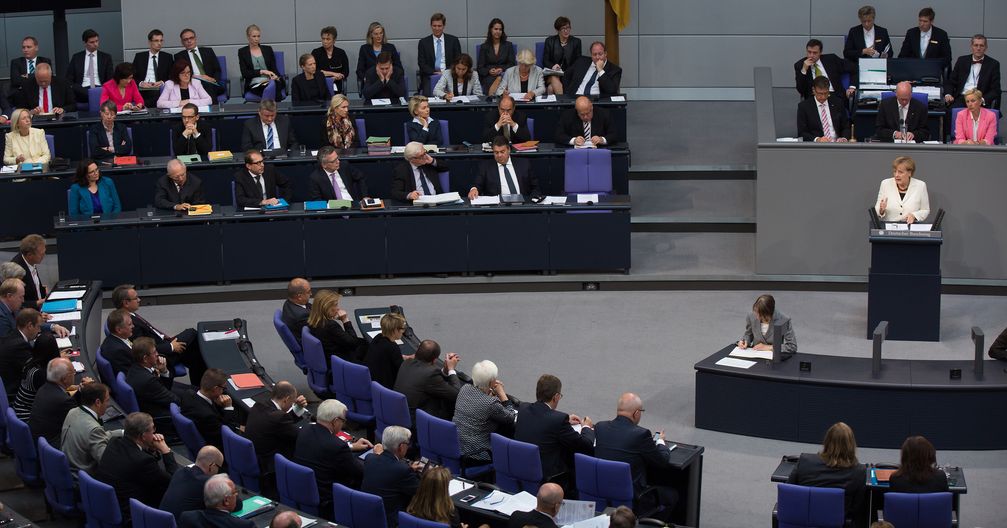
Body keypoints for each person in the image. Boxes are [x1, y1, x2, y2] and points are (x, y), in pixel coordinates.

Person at [594, 393, 678, 522]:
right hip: (633, 496)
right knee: (672, 495)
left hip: (600, 491)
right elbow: (662, 461)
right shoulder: (641, 434)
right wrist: (661, 442)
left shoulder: (600, 427)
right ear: (636, 413)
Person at [111, 283, 207, 382]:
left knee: (195, 354)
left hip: (163, 343)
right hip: (161, 354)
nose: (139, 300)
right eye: (136, 298)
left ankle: (200, 387)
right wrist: (171, 347)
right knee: (192, 334)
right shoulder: (129, 324)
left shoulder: (128, 315)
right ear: (126, 303)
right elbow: (142, 348)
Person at [514, 374, 594, 491]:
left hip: (521, 472)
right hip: (549, 480)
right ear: (556, 397)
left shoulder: (523, 409)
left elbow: (543, 421)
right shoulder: (558, 420)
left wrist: (565, 421)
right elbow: (585, 444)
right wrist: (586, 427)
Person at [294, 399, 373, 517]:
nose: (343, 424)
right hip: (328, 497)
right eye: (343, 421)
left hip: (304, 488)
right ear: (335, 421)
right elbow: (359, 472)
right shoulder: (337, 446)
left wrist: (351, 447)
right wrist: (375, 457)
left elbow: (321, 446)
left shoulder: (305, 430)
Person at [98, 413, 179, 518]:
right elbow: (173, 481)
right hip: (130, 514)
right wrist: (166, 451)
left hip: (107, 504)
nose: (154, 431)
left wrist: (150, 449)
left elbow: (137, 457)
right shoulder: (143, 461)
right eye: (152, 428)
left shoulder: (114, 442)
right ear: (143, 436)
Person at [787, 422, 867, 528]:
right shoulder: (859, 471)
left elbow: (789, 492)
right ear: (851, 445)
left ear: (827, 441)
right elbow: (856, 508)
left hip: (801, 522)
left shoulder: (805, 461)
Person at [454, 360, 516, 462]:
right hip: (477, 455)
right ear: (492, 381)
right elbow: (510, 417)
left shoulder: (464, 389)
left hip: (457, 446)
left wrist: (489, 392)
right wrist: (502, 394)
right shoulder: (490, 403)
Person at [361, 425, 421, 527]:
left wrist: (409, 469)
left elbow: (388, 470)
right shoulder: (402, 470)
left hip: (366, 514)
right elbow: (420, 491)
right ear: (401, 447)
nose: (408, 446)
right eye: (408, 443)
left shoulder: (370, 459)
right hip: (391, 521)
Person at [244, 381, 307, 472]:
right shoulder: (279, 417)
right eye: (292, 402)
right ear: (286, 399)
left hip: (255, 455)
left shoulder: (259, 405)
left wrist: (297, 408)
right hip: (269, 463)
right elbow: (298, 436)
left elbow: (280, 422)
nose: (291, 405)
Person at [394, 339, 461, 422]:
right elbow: (457, 394)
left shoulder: (407, 362)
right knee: (447, 402)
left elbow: (431, 379)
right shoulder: (430, 375)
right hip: (414, 421)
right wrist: (451, 369)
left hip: (397, 412)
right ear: (434, 360)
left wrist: (446, 369)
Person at [59, 382, 119, 474]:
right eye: (107, 400)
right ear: (98, 402)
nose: (108, 404)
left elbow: (90, 436)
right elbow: (106, 462)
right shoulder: (94, 429)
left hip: (68, 468)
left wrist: (122, 432)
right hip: (83, 478)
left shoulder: (73, 412)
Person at [30, 357, 92, 446]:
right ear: (65, 379)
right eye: (73, 372)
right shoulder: (63, 400)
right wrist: (91, 393)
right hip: (53, 445)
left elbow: (70, 403)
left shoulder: (45, 388)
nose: (74, 374)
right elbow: (81, 421)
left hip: (39, 440)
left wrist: (81, 390)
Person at [179, 369, 241, 451]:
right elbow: (228, 434)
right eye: (223, 388)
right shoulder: (208, 416)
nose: (224, 392)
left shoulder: (189, 394)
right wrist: (228, 407)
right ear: (215, 389)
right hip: (218, 449)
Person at [161, 445, 225, 522]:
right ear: (212, 466)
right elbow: (234, 504)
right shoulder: (208, 483)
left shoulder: (180, 472)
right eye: (219, 468)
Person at [469, 136, 541, 199]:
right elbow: (477, 184)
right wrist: (474, 189)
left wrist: (532, 200)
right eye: (496, 152)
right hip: (498, 209)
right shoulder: (485, 167)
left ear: (509, 150)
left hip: (523, 206)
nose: (499, 155)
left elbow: (535, 187)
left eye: (502, 152)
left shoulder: (524, 163)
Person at [125, 336, 180, 418]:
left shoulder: (134, 368)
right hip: (161, 417)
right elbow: (174, 400)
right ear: (145, 359)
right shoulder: (148, 380)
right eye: (154, 352)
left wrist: (163, 371)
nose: (157, 354)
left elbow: (164, 390)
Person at [307, 289, 367, 364]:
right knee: (371, 344)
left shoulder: (314, 320)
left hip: (329, 356)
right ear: (326, 307)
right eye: (335, 305)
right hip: (341, 362)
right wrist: (345, 320)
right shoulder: (330, 326)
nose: (338, 308)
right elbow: (353, 343)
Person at [944, 35, 1001, 109]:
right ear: (971, 47)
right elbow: (951, 82)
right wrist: (948, 94)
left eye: (981, 46)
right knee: (951, 113)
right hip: (962, 97)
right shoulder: (962, 60)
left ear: (986, 47)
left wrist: (982, 100)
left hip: (980, 99)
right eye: (976, 45)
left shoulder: (993, 64)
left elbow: (995, 89)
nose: (978, 48)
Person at [178, 474, 253, 528]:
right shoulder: (244, 525)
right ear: (226, 500)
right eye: (234, 492)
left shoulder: (187, 517)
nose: (236, 495)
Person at [2, 309, 45, 402]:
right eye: (38, 327)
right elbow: (36, 371)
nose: (39, 330)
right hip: (14, 395)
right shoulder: (19, 345)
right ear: (29, 326)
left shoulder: (14, 335)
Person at [874, 156, 929, 224]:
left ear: (909, 173)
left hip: (910, 229)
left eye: (900, 172)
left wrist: (914, 215)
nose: (896, 175)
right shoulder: (885, 184)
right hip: (890, 229)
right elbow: (877, 210)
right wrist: (881, 210)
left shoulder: (920, 186)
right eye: (895, 171)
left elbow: (925, 210)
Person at [418, 13, 462, 96]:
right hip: (431, 75)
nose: (437, 28)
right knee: (429, 98)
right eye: (434, 26)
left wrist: (446, 72)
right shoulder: (423, 42)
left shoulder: (453, 40)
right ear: (431, 26)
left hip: (451, 74)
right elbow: (421, 63)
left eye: (439, 26)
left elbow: (458, 61)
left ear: (444, 26)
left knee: (455, 97)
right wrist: (434, 72)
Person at [797, 76, 852, 142]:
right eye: (820, 94)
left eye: (826, 93)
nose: (823, 97)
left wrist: (844, 138)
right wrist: (817, 139)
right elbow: (802, 132)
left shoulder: (837, 103)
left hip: (837, 145)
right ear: (813, 90)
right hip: (817, 146)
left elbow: (846, 126)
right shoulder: (804, 107)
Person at [238, 24, 285, 100]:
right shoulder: (242, 52)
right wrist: (262, 71)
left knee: (274, 86)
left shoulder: (268, 49)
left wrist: (276, 76)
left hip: (271, 79)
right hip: (255, 83)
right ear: (248, 37)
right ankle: (273, 110)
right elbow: (245, 73)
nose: (256, 39)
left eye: (258, 36)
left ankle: (268, 110)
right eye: (254, 36)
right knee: (270, 90)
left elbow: (274, 68)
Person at [897, 7, 952, 72]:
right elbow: (903, 55)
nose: (921, 24)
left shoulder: (941, 35)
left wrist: (935, 66)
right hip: (913, 70)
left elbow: (947, 58)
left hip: (933, 71)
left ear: (932, 21)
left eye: (925, 21)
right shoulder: (911, 33)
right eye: (920, 20)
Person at [175, 28, 224, 100]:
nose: (189, 41)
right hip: (191, 84)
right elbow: (180, 74)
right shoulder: (179, 56)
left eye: (191, 38)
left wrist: (213, 79)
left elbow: (217, 70)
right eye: (186, 39)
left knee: (208, 86)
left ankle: (212, 110)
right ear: (182, 42)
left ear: (195, 39)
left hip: (210, 83)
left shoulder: (208, 51)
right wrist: (196, 78)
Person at [67, 28, 113, 103]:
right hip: (82, 89)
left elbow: (110, 78)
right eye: (92, 42)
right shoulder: (77, 57)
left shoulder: (106, 57)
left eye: (97, 41)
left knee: (98, 94)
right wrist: (80, 89)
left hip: (100, 88)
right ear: (85, 43)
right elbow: (69, 79)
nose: (95, 44)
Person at [366, 312, 408, 390]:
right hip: (386, 388)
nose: (403, 331)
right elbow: (402, 372)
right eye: (402, 328)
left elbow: (386, 358)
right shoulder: (393, 347)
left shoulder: (377, 338)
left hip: (373, 383)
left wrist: (403, 357)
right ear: (395, 330)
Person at [356, 22, 403, 91]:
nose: (379, 36)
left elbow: (399, 68)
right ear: (371, 35)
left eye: (381, 33)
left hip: (388, 81)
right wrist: (366, 78)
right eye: (376, 34)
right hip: (372, 83)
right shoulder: (364, 49)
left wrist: (389, 77)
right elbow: (359, 70)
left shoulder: (390, 47)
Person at [132, 29, 172, 108]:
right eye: (156, 41)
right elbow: (132, 76)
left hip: (159, 89)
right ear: (150, 42)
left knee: (156, 94)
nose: (159, 43)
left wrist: (162, 82)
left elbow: (171, 76)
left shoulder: (167, 57)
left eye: (161, 40)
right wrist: (141, 83)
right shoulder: (139, 57)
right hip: (143, 88)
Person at [543, 17, 582, 96]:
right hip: (552, 73)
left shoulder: (576, 42)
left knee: (551, 88)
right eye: (563, 28)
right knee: (554, 76)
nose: (566, 30)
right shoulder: (550, 41)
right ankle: (564, 103)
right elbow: (545, 60)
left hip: (569, 74)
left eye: (568, 28)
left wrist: (569, 71)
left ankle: (556, 106)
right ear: (557, 30)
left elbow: (578, 61)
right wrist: (553, 66)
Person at [10, 234, 49, 310]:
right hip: (29, 314)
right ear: (30, 255)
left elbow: (32, 287)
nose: (44, 255)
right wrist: (37, 303)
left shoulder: (30, 261)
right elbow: (14, 302)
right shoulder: (16, 271)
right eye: (41, 254)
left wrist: (43, 291)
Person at [477, 18, 514, 95]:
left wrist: (501, 69)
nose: (498, 31)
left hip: (505, 74)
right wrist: (489, 71)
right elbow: (480, 68)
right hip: (489, 76)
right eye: (495, 29)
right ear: (491, 30)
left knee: (502, 78)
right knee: (496, 80)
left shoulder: (508, 45)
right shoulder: (484, 47)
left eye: (500, 29)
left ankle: (492, 99)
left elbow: (512, 64)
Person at [312, 26, 349, 93]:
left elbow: (345, 72)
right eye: (323, 39)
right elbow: (314, 71)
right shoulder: (316, 52)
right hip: (320, 84)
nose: (325, 41)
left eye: (328, 39)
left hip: (336, 83)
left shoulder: (341, 53)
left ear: (334, 40)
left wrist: (338, 77)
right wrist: (333, 74)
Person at [100, 308, 135, 375]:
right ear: (119, 330)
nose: (133, 326)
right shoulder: (118, 352)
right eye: (130, 324)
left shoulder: (119, 338)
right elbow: (132, 375)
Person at [281, 278, 312, 343]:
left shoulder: (288, 303)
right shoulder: (302, 315)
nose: (311, 294)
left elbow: (310, 306)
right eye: (308, 292)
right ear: (299, 296)